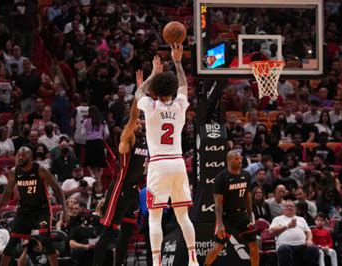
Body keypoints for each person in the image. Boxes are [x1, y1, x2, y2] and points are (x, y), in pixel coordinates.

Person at [135, 45, 198, 266]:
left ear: (155, 90)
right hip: (178, 163)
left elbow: (138, 93)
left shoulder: (151, 107)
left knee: (155, 217)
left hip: (159, 165)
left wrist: (154, 72)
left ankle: (157, 262)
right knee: (183, 216)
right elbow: (184, 85)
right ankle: (192, 259)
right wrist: (178, 62)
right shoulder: (180, 105)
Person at [93, 74, 148, 266]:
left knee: (126, 235)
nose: (140, 122)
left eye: (142, 121)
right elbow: (133, 116)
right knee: (108, 234)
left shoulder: (145, 141)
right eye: (137, 122)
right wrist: (139, 93)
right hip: (120, 188)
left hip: (133, 190)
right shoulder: (128, 138)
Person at [0, 147, 66, 266]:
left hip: (41, 209)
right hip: (24, 210)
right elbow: (7, 193)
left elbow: (57, 189)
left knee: (45, 239)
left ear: (30, 157)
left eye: (23, 155)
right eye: (19, 155)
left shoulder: (40, 170)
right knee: (12, 242)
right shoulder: (15, 172)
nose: (20, 157)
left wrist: (65, 210)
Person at [204, 150, 260, 266]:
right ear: (229, 161)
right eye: (236, 159)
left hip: (242, 215)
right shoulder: (221, 178)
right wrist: (220, 224)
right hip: (226, 216)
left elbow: (248, 197)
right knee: (218, 247)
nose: (240, 161)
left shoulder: (246, 175)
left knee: (254, 246)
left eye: (240, 158)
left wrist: (250, 216)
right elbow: (218, 204)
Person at [269, 200, 319, 266]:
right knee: (283, 249)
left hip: (302, 246)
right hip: (285, 245)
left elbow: (308, 231)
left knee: (313, 248)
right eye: (287, 206)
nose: (289, 207)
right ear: (283, 208)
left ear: (295, 209)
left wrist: (309, 240)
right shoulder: (277, 219)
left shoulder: (301, 219)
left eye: (291, 206)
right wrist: (287, 226)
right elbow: (271, 231)